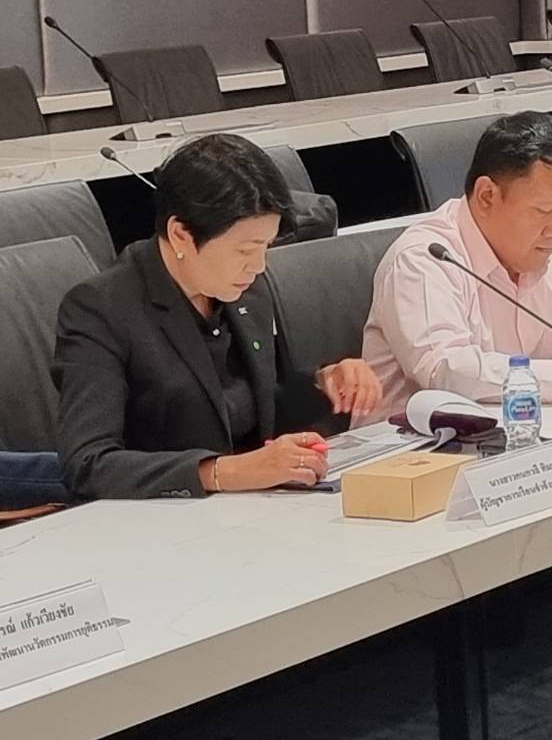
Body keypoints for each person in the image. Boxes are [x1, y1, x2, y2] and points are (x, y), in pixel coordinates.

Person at [52, 134, 381, 501]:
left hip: (253, 508)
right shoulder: (101, 309)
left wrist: (326, 384)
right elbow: (87, 464)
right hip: (157, 519)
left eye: (265, 247)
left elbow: (259, 408)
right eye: (244, 250)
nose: (258, 266)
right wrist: (223, 472)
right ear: (181, 234)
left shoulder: (246, 291)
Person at [362, 111, 552, 416]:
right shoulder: (423, 258)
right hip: (417, 441)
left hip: (535, 432)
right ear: (486, 196)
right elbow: (442, 370)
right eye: (543, 210)